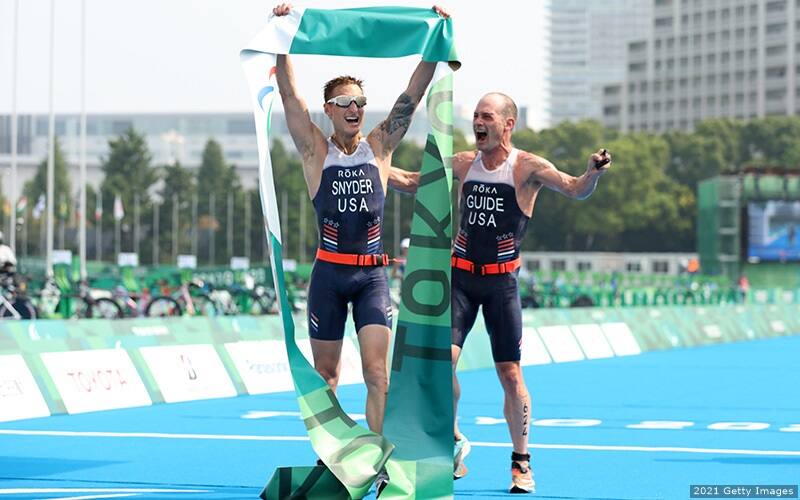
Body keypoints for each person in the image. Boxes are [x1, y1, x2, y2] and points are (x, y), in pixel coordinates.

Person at [271, 3, 446, 439]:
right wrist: (281, 39)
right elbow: (291, 98)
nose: (355, 109)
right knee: (327, 376)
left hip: (371, 277)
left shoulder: (379, 147)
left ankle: (383, 458)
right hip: (329, 275)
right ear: (329, 110)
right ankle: (333, 457)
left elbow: (412, 96)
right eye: (345, 102)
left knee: (378, 376)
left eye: (361, 102)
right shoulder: (315, 151)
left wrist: (434, 41)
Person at [449, 93, 611, 493]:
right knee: (442, 365)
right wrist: (375, 166)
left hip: (501, 283)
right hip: (461, 279)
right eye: (474, 116)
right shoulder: (463, 163)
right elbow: (414, 182)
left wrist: (593, 172)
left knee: (510, 374)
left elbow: (575, 189)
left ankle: (521, 462)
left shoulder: (526, 167)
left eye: (486, 116)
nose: (477, 123)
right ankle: (451, 442)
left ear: (508, 124)